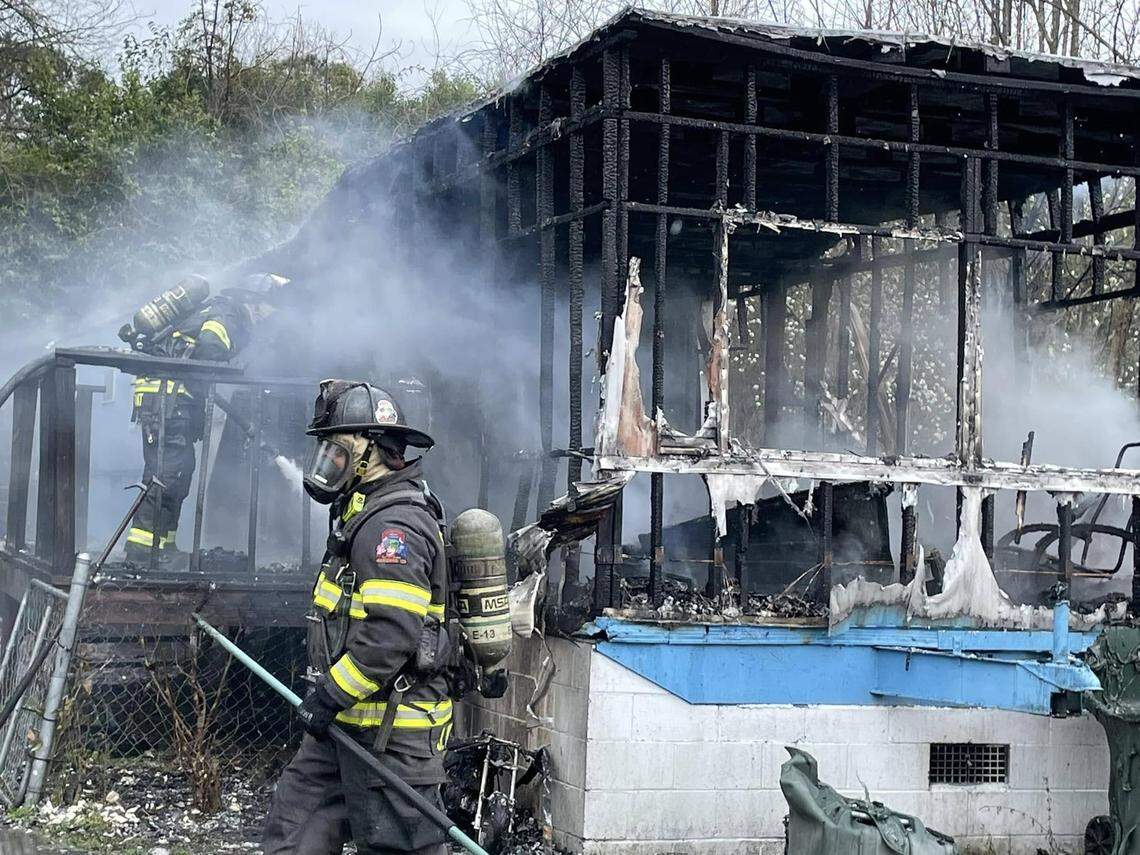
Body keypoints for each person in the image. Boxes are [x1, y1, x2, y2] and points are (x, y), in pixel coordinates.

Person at [263, 380, 451, 855]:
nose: (328, 462)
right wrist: (330, 705)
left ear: (371, 452)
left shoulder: (393, 528)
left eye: (338, 450)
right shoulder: (361, 515)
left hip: (394, 734)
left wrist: (328, 695)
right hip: (343, 727)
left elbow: (391, 636)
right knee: (293, 834)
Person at [123, 274, 287, 565]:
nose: (268, 316)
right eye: (268, 307)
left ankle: (162, 548)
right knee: (167, 473)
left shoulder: (220, 311)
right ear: (253, 301)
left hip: (172, 399)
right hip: (168, 398)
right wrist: (222, 374)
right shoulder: (229, 313)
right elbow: (210, 346)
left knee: (178, 472)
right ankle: (142, 553)